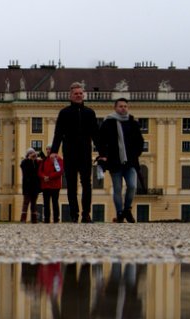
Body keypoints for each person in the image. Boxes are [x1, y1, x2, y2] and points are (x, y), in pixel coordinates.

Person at [50, 81, 99, 222]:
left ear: (84, 95)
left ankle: (86, 214)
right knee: (71, 185)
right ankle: (74, 214)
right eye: (76, 93)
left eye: (80, 93)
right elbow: (58, 133)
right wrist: (54, 151)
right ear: (70, 96)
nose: (78, 95)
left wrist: (102, 152)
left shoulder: (89, 112)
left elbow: (95, 134)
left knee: (86, 184)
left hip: (85, 152)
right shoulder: (64, 113)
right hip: (69, 152)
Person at [95, 97, 145, 223]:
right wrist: (103, 154)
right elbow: (101, 141)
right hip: (114, 162)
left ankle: (127, 209)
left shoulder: (133, 123)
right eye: (120, 106)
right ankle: (119, 213)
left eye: (125, 106)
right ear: (115, 108)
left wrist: (136, 153)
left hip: (130, 162)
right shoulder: (108, 123)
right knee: (117, 188)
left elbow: (140, 141)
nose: (123, 108)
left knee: (132, 186)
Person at [38, 150, 63, 223]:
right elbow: (39, 171)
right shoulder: (44, 160)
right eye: (47, 149)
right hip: (45, 185)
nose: (48, 151)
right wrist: (43, 177)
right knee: (46, 203)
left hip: (55, 185)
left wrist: (49, 177)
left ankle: (56, 218)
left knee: (55, 202)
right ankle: (46, 218)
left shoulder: (58, 159)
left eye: (49, 149)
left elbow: (59, 171)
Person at [19, 149, 42, 222]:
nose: (33, 155)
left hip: (35, 186)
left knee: (34, 203)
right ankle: (23, 219)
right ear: (28, 155)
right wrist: (28, 159)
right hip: (27, 186)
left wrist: (37, 154)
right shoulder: (25, 162)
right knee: (26, 203)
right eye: (31, 153)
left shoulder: (37, 162)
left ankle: (34, 219)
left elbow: (43, 159)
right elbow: (22, 166)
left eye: (33, 154)